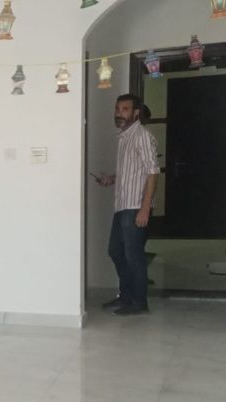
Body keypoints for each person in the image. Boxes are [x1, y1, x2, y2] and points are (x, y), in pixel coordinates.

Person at [95, 94, 159, 315]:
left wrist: (145, 208)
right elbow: (133, 172)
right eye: (117, 109)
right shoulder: (124, 137)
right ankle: (126, 297)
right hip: (122, 205)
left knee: (133, 256)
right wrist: (111, 179)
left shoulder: (142, 136)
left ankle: (139, 302)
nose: (118, 113)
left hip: (135, 207)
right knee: (116, 251)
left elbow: (152, 173)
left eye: (124, 109)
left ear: (136, 112)